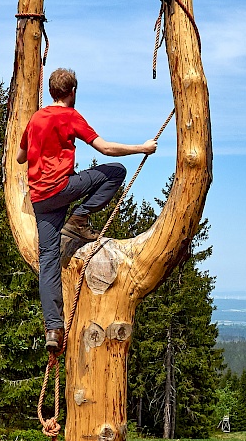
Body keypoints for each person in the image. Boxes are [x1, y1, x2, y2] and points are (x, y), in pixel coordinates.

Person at [17, 67, 158, 353]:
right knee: (114, 172)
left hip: (41, 199)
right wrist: (141, 148)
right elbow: (104, 149)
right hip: (62, 189)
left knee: (48, 261)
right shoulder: (71, 116)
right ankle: (80, 218)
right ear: (72, 92)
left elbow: (20, 157)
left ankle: (53, 329)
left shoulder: (35, 119)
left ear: (51, 91)